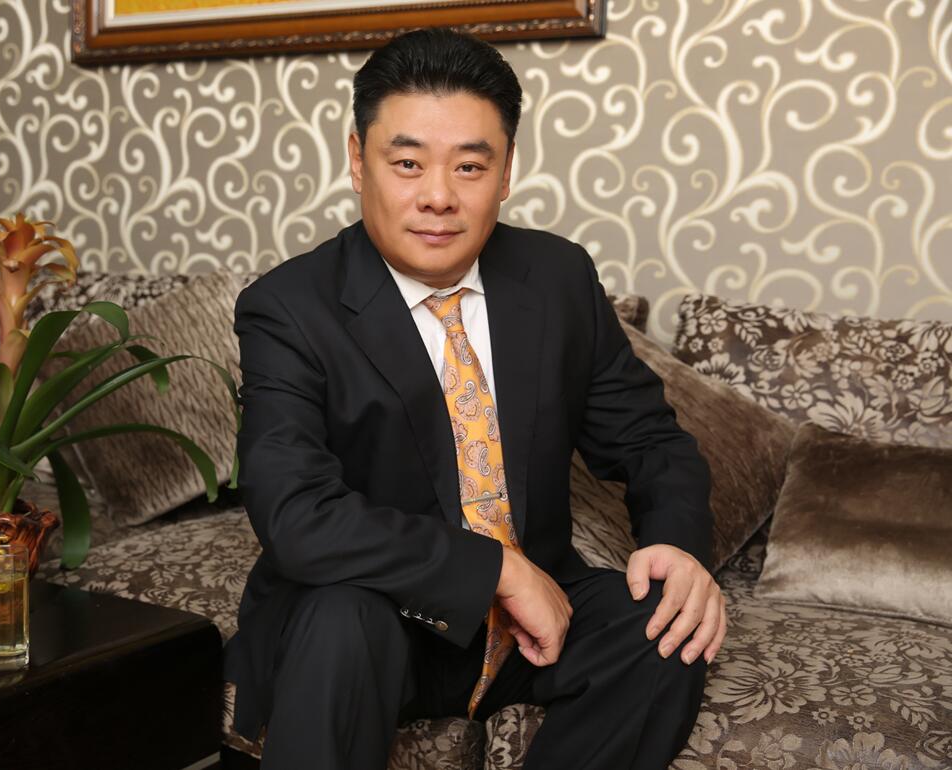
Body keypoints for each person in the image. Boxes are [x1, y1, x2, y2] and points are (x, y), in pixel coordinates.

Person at [224, 27, 727, 770]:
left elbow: (651, 440)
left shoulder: (556, 278)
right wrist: (498, 570)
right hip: (375, 621)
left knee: (668, 628)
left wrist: (678, 548)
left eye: (469, 166)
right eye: (407, 163)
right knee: (339, 616)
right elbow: (297, 515)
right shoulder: (289, 308)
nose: (438, 197)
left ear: (507, 171)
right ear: (358, 161)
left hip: (532, 628)